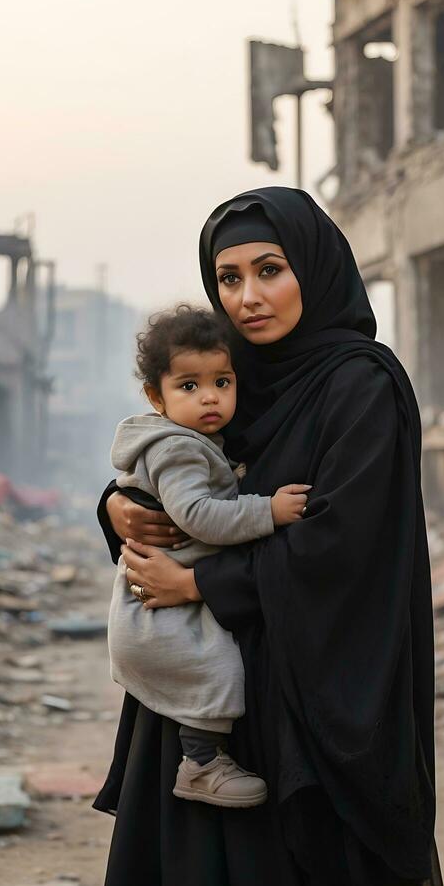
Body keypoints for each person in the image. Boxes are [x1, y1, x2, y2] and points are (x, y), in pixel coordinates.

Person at [93, 187, 444, 886]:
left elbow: (348, 546)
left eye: (269, 270)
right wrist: (116, 511)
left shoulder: (360, 385)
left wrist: (199, 584)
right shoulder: (229, 377)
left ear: (312, 269)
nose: (248, 297)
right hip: (204, 700)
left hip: (299, 701)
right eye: (228, 279)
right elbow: (173, 463)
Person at [106, 302, 310, 807]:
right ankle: (200, 764)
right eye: (189, 387)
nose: (210, 398)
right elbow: (198, 515)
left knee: (214, 666)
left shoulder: (197, 441)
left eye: (222, 382)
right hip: (159, 608)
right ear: (157, 397)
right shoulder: (178, 448)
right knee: (217, 669)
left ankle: (201, 760)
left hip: (171, 598)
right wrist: (269, 510)